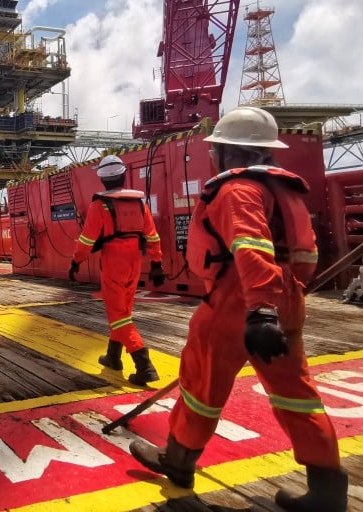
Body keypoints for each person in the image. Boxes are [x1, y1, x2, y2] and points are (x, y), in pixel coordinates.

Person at [130, 106, 347, 512]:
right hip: (286, 296)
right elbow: (305, 254)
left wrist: (259, 309)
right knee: (297, 394)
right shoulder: (287, 192)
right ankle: (328, 488)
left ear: (226, 151)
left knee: (201, 385)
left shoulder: (237, 190)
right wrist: (282, 300)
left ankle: (177, 462)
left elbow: (250, 248)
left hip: (240, 299)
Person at [69, 154, 166, 386]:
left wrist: (76, 262)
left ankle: (144, 365)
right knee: (123, 310)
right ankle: (113, 357)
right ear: (124, 175)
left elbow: (86, 240)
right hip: (135, 259)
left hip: (114, 261)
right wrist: (156, 263)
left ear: (102, 180)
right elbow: (152, 235)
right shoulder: (139, 203)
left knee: (119, 315)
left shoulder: (100, 204)